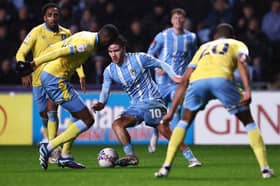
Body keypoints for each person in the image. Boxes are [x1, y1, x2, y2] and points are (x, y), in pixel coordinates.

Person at [154, 23, 274, 179]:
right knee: (248, 122)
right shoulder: (237, 43)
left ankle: (165, 167)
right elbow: (242, 62)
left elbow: (184, 80)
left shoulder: (204, 47)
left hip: (197, 82)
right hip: (221, 79)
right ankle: (264, 169)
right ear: (233, 36)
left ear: (215, 37)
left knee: (184, 122)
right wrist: (248, 89)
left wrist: (171, 112)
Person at [16, 24, 119, 170]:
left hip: (56, 77)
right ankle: (49, 147)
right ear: (106, 39)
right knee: (88, 119)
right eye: (110, 42)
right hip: (55, 79)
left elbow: (58, 46)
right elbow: (60, 51)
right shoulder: (88, 44)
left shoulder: (86, 34)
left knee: (76, 114)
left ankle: (65, 156)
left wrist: (80, 75)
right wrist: (34, 63)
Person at [92, 35, 201, 167]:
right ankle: (131, 156)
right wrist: (101, 103)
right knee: (117, 124)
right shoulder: (109, 71)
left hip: (153, 101)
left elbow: (161, 63)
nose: (113, 54)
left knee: (163, 128)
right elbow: (105, 89)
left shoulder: (139, 58)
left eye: (116, 50)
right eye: (110, 51)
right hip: (135, 107)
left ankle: (191, 157)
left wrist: (175, 77)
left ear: (124, 49)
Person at [15, 3, 86, 165]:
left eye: (56, 15)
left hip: (56, 79)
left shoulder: (66, 34)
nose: (53, 18)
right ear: (44, 17)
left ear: (59, 17)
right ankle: (49, 139)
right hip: (38, 81)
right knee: (43, 114)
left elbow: (73, 55)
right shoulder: (36, 32)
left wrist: (81, 74)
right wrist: (24, 71)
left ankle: (52, 148)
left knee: (52, 110)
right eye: (50, 15)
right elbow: (20, 53)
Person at [147, 8, 197, 154]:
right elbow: (150, 53)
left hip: (179, 81)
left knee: (177, 109)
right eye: (176, 18)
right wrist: (157, 66)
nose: (178, 20)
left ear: (184, 20)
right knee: (157, 112)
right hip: (162, 81)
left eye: (181, 18)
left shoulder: (191, 37)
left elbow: (194, 56)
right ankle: (155, 135)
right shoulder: (163, 36)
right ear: (171, 20)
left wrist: (191, 71)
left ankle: (175, 141)